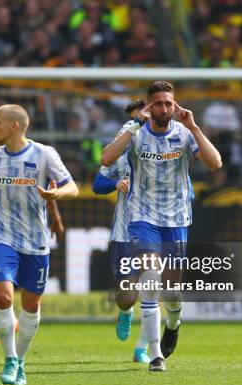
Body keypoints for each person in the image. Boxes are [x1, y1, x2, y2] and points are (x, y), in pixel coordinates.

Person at [101, 81, 222, 372]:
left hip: (177, 219)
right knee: (150, 278)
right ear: (148, 105)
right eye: (158, 103)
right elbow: (106, 158)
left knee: (171, 289)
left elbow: (215, 163)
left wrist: (194, 127)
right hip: (142, 217)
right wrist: (132, 125)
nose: (164, 108)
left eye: (169, 103)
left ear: (174, 104)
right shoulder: (134, 132)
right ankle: (155, 354)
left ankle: (174, 321)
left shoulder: (183, 134)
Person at [0, 104, 78, 385]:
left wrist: (56, 193)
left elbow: (72, 187)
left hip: (35, 241)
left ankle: (22, 360)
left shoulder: (43, 154)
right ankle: (10, 359)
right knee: (3, 297)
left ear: (14, 126)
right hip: (2, 236)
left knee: (31, 305)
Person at [92, 99, 150, 363]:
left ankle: (144, 346)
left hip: (157, 227)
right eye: (135, 119)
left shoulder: (168, 147)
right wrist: (117, 183)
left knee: (153, 288)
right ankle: (125, 312)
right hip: (125, 233)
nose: (139, 122)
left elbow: (188, 189)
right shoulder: (120, 150)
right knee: (126, 295)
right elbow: (98, 184)